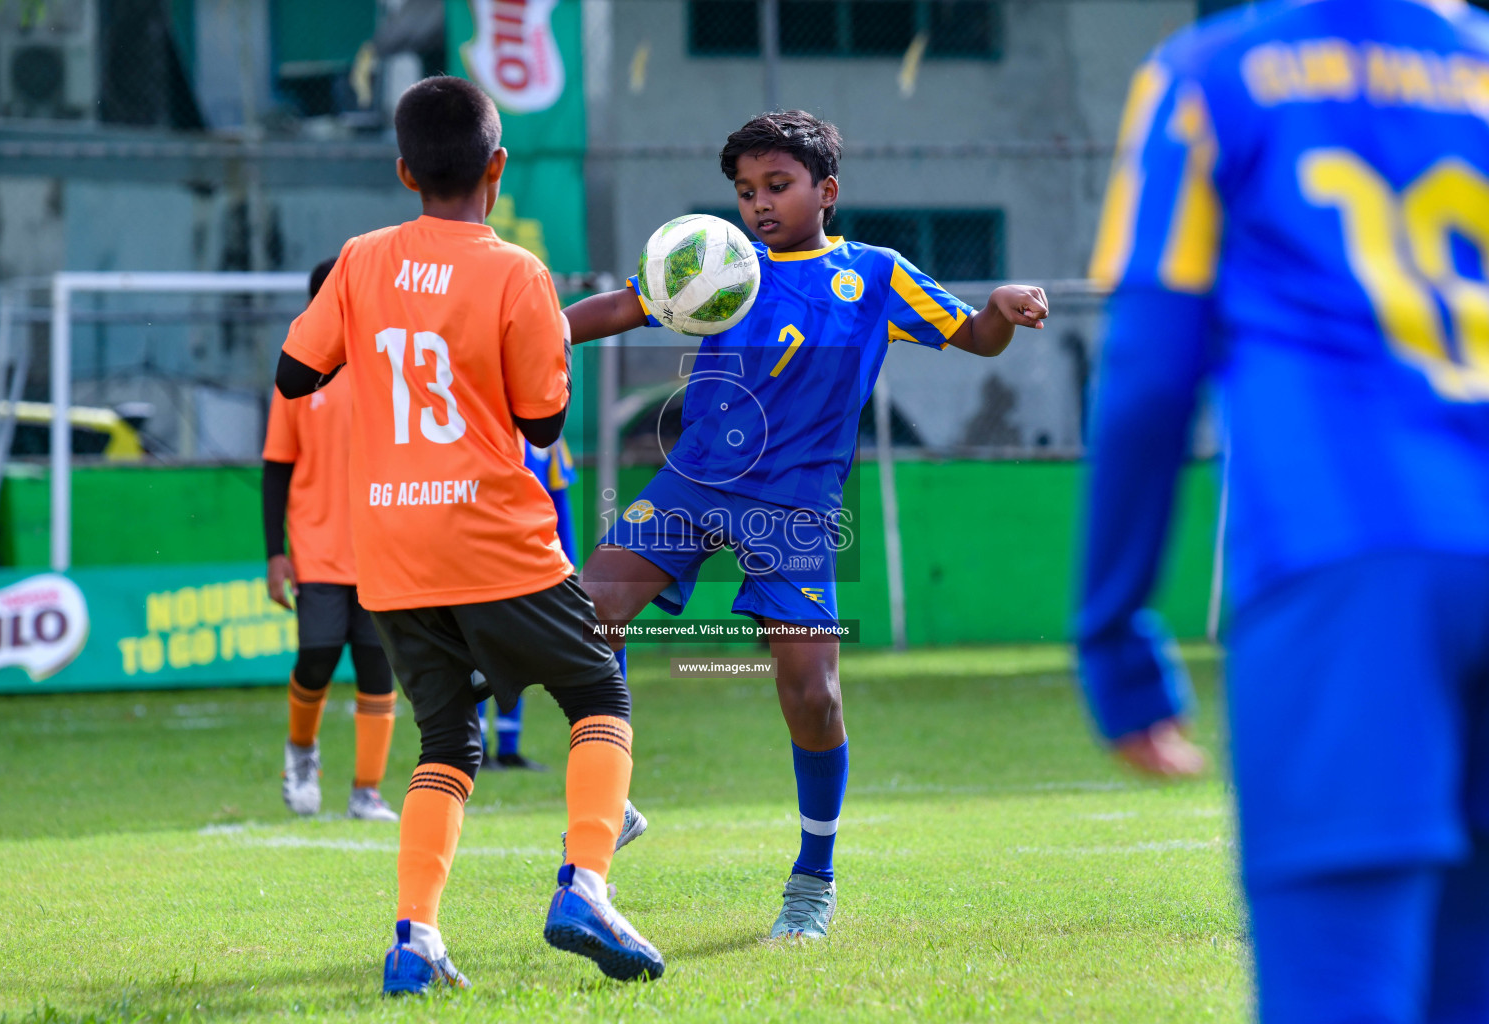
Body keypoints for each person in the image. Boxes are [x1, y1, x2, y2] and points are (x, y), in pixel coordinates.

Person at [1075, 1, 1489, 1020]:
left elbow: (1147, 372)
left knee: (1339, 990)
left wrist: (1111, 628)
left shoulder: (1213, 77)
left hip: (1344, 561)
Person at [562, 110, 1047, 939]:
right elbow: (616, 308)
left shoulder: (877, 276)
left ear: (826, 191)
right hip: (693, 484)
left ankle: (812, 878)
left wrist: (999, 307)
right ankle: (611, 795)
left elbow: (976, 337)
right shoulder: (718, 265)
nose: (758, 205)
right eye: (746, 191)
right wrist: (525, 327)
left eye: (776, 187)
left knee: (813, 696)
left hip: (795, 511)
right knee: (574, 621)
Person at [275, 76, 664, 992]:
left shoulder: (361, 259)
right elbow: (540, 425)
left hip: (394, 553)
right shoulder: (516, 271)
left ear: (404, 169)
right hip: (495, 537)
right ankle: (586, 885)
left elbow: (295, 373)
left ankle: (415, 939)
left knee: (446, 743)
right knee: (599, 694)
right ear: (497, 167)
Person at [263, 257, 398, 823]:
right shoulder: (296, 378)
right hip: (316, 549)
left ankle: (366, 790)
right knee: (316, 658)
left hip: (380, 551)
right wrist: (276, 553)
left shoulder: (387, 364)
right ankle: (301, 753)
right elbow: (276, 468)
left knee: (377, 668)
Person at [477, 438, 579, 773]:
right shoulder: (484, 422)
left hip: (530, 564)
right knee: (478, 652)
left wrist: (571, 567)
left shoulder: (547, 435)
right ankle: (476, 746)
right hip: (484, 557)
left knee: (517, 652)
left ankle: (508, 747)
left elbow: (559, 502)